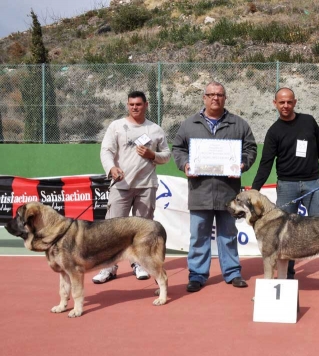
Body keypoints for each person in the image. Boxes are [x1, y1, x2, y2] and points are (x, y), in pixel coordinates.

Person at [251, 87, 319, 293]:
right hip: (286, 186)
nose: (285, 106)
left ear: (295, 102)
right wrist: (255, 190)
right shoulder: (274, 131)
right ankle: (287, 279)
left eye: (289, 102)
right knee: (286, 236)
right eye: (281, 102)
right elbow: (266, 163)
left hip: (312, 184)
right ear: (275, 103)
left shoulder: (308, 121)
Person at [172, 82, 257, 293]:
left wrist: (243, 164)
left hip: (229, 192)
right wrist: (185, 164)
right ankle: (197, 275)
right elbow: (178, 148)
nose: (215, 98)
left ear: (225, 98)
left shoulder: (239, 124)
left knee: (228, 234)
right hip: (200, 190)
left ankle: (232, 273)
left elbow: (250, 148)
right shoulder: (189, 124)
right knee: (199, 235)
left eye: (219, 95)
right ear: (204, 98)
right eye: (211, 94)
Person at [92, 91, 171, 283]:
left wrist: (153, 155)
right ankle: (108, 267)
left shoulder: (155, 129)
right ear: (127, 105)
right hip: (121, 185)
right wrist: (112, 168)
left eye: (138, 104)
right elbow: (106, 151)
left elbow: (167, 155)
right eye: (131, 104)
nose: (135, 107)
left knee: (144, 230)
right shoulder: (117, 126)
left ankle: (141, 265)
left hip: (146, 186)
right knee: (112, 229)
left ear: (146, 104)